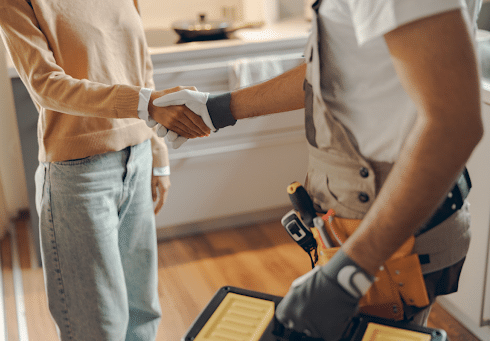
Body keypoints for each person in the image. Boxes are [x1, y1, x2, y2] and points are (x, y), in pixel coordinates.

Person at [151, 0, 484, 339]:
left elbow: (454, 126)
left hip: (389, 238)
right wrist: (219, 109)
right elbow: (338, 72)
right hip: (361, 228)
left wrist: (349, 272)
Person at [0, 0, 209, 340]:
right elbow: (46, 84)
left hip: (137, 159)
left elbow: (140, 67)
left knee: (142, 315)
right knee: (97, 328)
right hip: (80, 179)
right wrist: (145, 103)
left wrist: (156, 151)